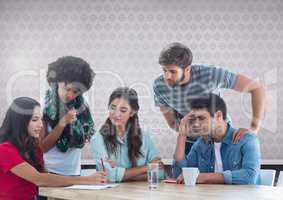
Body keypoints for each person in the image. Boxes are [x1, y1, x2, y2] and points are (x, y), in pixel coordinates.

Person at [153, 42, 265, 155]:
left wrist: (253, 129)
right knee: (183, 172)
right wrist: (189, 131)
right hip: (191, 143)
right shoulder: (159, 86)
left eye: (172, 71)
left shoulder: (211, 74)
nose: (167, 76)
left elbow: (256, 88)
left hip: (221, 137)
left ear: (187, 69)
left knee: (227, 172)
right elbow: (172, 123)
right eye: (164, 70)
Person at [0, 97, 106, 200]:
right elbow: (38, 179)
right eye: (35, 120)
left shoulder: (33, 147)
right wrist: (86, 180)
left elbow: (46, 177)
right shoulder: (4, 150)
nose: (41, 125)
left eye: (41, 119)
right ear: (19, 122)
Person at [172, 94, 261, 184]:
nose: (196, 124)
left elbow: (250, 176)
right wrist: (182, 134)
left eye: (201, 118)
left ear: (218, 116)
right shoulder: (201, 144)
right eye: (194, 119)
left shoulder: (247, 140)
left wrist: (205, 177)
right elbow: (180, 175)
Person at [91, 87, 164, 182]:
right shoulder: (98, 139)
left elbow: (160, 172)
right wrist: (146, 168)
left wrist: (120, 175)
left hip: (140, 194)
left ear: (132, 112)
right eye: (113, 108)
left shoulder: (144, 137)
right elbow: (109, 176)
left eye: (123, 110)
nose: (116, 114)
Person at [40, 56, 96, 176]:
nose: (70, 95)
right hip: (49, 173)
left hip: (74, 173)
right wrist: (62, 123)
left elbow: (87, 137)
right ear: (56, 82)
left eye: (76, 92)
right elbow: (42, 148)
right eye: (67, 89)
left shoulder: (81, 106)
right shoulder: (43, 106)